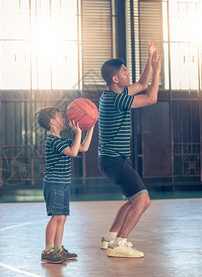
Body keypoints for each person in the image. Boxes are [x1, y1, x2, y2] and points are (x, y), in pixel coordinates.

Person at [98, 39, 162, 258]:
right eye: (125, 71)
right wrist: (158, 70)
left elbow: (143, 84)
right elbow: (151, 97)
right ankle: (120, 244)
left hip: (110, 159)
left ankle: (109, 238)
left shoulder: (113, 94)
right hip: (114, 160)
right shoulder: (118, 100)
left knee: (132, 200)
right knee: (143, 200)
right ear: (115, 79)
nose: (128, 74)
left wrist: (150, 58)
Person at [37, 106, 94, 264]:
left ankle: (58, 249)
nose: (64, 119)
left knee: (62, 217)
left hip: (62, 183)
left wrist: (90, 128)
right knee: (56, 217)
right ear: (52, 122)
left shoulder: (62, 140)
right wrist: (78, 133)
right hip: (54, 183)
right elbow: (74, 152)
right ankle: (48, 251)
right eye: (60, 116)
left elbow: (83, 147)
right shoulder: (53, 140)